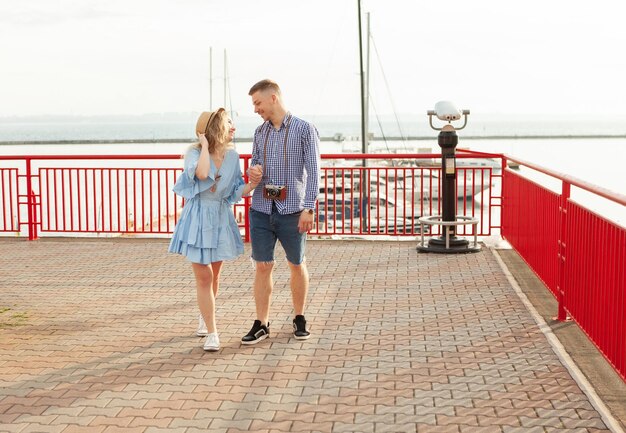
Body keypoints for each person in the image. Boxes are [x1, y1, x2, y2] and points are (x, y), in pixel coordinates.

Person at [169, 108, 262, 352]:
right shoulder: (194, 153)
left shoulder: (233, 156)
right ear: (215, 127)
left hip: (220, 217)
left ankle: (204, 314)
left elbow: (234, 192)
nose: (233, 127)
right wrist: (203, 143)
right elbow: (201, 174)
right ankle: (212, 332)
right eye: (229, 123)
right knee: (205, 276)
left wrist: (252, 185)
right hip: (198, 217)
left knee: (216, 275)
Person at [241, 79, 320, 345]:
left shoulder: (304, 130)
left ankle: (299, 317)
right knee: (263, 266)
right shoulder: (259, 133)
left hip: (292, 211)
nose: (255, 109)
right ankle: (262, 323)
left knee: (296, 264)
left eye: (257, 103)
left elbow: (314, 172)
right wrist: (254, 172)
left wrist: (309, 208)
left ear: (273, 98)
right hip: (262, 208)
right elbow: (255, 164)